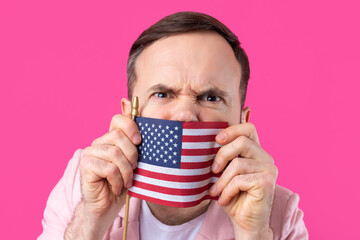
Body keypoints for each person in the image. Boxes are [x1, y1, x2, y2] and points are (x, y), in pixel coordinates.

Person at [38, 11, 308, 240]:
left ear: (242, 121)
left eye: (211, 97)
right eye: (163, 94)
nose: (184, 114)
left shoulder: (277, 210)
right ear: (128, 113)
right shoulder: (81, 182)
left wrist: (254, 233)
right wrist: (91, 219)